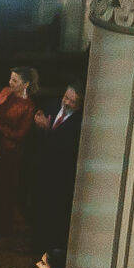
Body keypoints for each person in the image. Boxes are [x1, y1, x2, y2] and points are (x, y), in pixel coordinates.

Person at [0, 67, 38, 233]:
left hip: (10, 152)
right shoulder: (6, 92)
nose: (10, 83)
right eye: (10, 78)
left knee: (3, 187)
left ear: (25, 84)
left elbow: (19, 134)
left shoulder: (28, 107)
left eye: (15, 81)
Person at [32, 82, 83, 252]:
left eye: (73, 102)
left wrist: (48, 132)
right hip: (39, 171)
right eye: (66, 97)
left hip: (59, 179)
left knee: (52, 215)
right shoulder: (51, 106)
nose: (67, 103)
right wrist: (38, 126)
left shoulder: (79, 124)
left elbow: (65, 150)